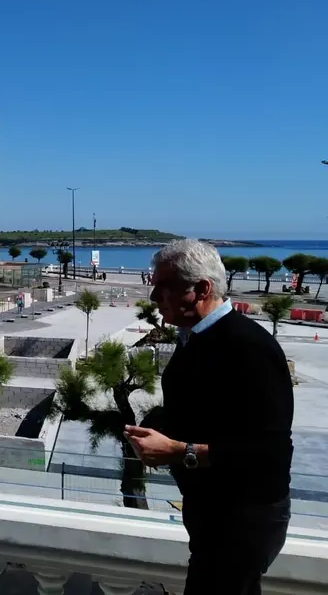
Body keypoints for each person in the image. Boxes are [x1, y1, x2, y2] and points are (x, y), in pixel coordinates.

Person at [124, 239, 293, 595]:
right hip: (216, 514)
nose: (153, 297)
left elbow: (269, 453)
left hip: (243, 518)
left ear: (201, 289)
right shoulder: (197, 338)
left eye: (164, 287)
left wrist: (178, 451)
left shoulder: (247, 346)